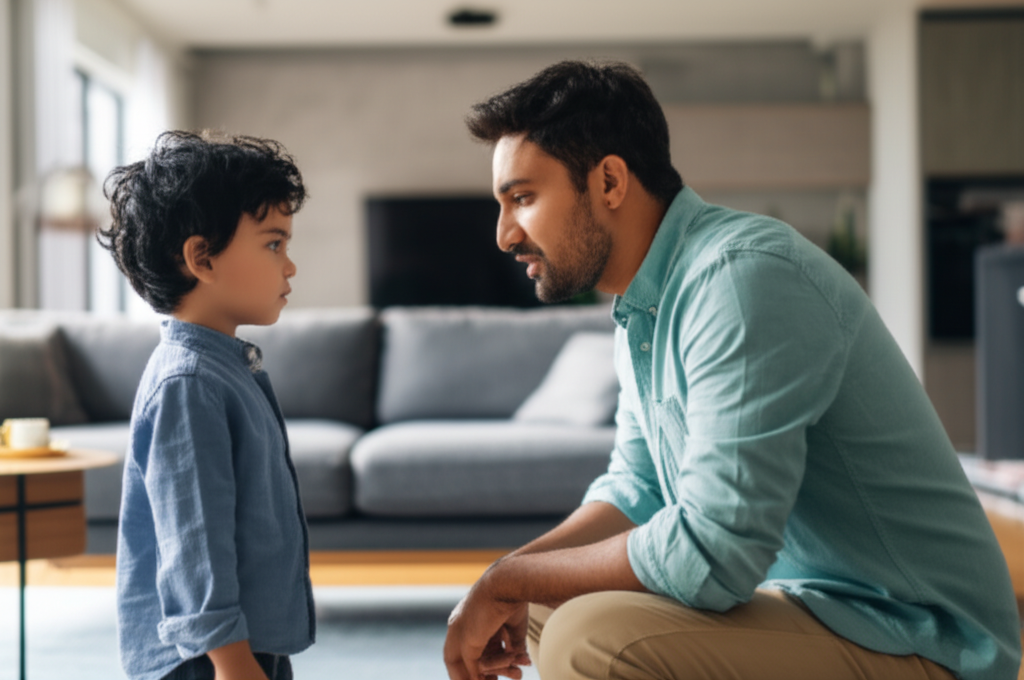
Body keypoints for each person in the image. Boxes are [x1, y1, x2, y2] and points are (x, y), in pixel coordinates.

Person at [443, 60, 1022, 680]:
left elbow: (712, 555)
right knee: (537, 608)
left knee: (590, 639)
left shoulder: (741, 279)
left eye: (523, 198)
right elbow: (636, 492)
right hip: (814, 606)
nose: (504, 235)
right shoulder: (643, 308)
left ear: (609, 181)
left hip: (919, 636)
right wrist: (500, 584)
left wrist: (511, 576)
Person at [100, 131, 314, 680]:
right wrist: (232, 661)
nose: (289, 267)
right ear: (202, 258)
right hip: (206, 659)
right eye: (273, 244)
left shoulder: (222, 366)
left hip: (243, 644)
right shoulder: (190, 382)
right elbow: (193, 540)